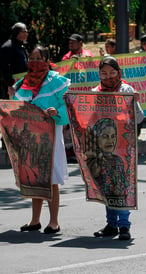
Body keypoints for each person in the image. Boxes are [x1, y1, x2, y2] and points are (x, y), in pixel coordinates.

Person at [12, 45, 70, 234]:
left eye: (39, 58)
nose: (34, 62)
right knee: (34, 178)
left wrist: (56, 112)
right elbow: (16, 106)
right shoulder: (22, 83)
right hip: (29, 136)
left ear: (46, 60)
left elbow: (68, 106)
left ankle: (54, 222)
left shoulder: (56, 81)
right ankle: (35, 220)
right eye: (31, 58)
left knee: (51, 178)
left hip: (50, 135)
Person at [91, 56, 144, 240]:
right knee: (107, 185)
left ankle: (124, 226)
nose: (108, 76)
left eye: (112, 73)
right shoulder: (95, 92)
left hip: (124, 147)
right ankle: (111, 224)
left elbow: (139, 117)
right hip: (103, 149)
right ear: (99, 74)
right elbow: (90, 120)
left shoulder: (127, 90)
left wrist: (134, 102)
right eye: (104, 73)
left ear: (119, 73)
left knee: (123, 184)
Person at [0, 22, 28, 99]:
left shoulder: (21, 46)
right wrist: (10, 84)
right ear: (18, 33)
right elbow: (4, 67)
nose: (27, 34)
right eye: (25, 32)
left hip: (22, 84)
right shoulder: (8, 47)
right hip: (11, 87)